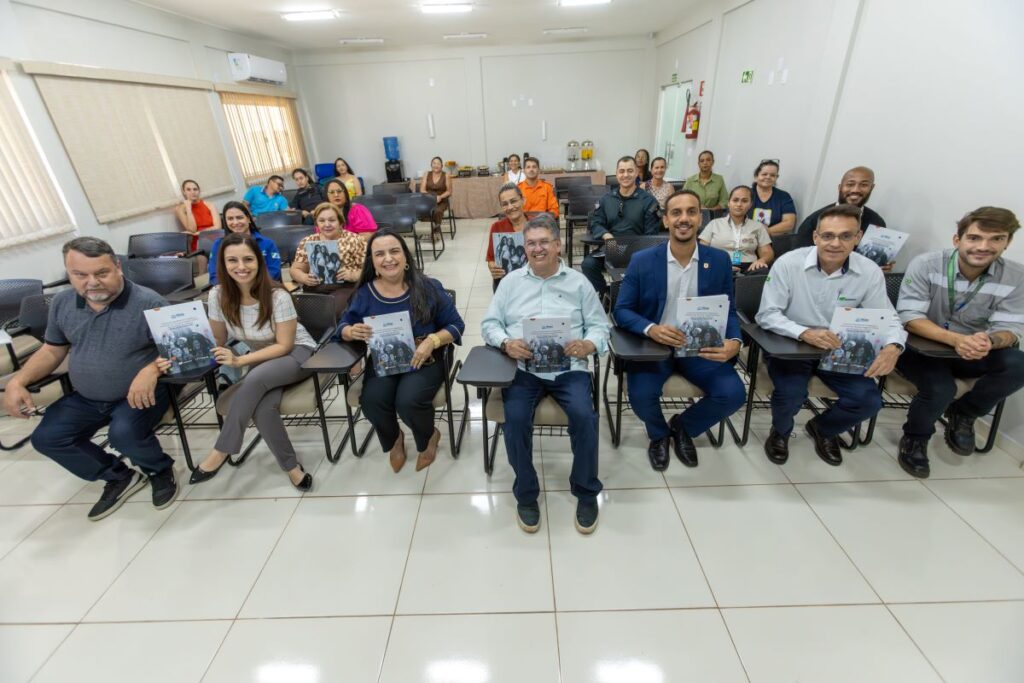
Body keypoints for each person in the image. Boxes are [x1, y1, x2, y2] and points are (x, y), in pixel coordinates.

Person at [3, 237, 178, 520]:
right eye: (80, 275)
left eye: (101, 273)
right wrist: (17, 381)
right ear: (68, 274)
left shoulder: (148, 302)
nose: (92, 282)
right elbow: (51, 351)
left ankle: (159, 469)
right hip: (86, 396)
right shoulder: (62, 303)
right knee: (48, 437)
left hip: (138, 394)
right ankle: (118, 475)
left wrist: (152, 370)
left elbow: (180, 351)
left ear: (117, 267)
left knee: (123, 434)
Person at [481, 215, 609, 535]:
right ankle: (526, 494)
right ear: (525, 248)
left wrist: (588, 344)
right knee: (515, 419)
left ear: (557, 245)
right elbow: (489, 324)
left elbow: (600, 327)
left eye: (543, 242)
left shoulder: (579, 282)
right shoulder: (510, 283)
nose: (537, 249)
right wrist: (507, 342)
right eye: (531, 244)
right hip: (524, 369)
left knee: (584, 417)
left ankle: (585, 490)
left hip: (569, 368)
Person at [755, 203, 906, 466]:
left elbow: (887, 315)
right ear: (815, 236)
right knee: (791, 393)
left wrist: (894, 346)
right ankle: (780, 433)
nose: (835, 243)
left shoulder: (869, 271)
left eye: (845, 236)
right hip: (793, 345)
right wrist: (804, 333)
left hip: (841, 349)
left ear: (857, 238)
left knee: (868, 400)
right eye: (827, 236)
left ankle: (823, 429)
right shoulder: (789, 263)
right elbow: (767, 314)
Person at [614, 190, 746, 470]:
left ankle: (683, 427)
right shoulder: (643, 260)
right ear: (665, 220)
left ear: (701, 218)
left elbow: (729, 308)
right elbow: (621, 310)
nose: (684, 219)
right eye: (676, 213)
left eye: (691, 212)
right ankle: (659, 435)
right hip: (655, 347)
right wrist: (651, 329)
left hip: (700, 347)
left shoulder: (719, 260)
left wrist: (735, 340)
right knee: (639, 394)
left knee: (734, 393)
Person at [894, 207, 1024, 478]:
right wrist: (956, 339)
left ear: (1007, 242)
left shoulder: (1016, 276)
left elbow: (1012, 328)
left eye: (996, 239)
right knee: (940, 388)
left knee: (1018, 364)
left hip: (975, 349)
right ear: (958, 240)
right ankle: (916, 439)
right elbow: (909, 317)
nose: (984, 247)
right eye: (975, 238)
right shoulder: (927, 264)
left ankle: (964, 413)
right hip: (923, 347)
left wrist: (990, 340)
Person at [188, 232, 318, 490]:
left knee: (255, 377)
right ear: (223, 265)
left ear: (259, 262)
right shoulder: (217, 295)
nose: (241, 267)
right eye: (232, 260)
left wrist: (240, 361)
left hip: (298, 352)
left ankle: (222, 450)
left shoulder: (277, 296)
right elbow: (218, 337)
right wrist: (187, 349)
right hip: (262, 359)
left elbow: (284, 345)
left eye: (248, 259)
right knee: (262, 408)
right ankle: (291, 466)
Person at [338, 231, 465, 472]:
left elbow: (456, 325)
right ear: (372, 262)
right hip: (384, 359)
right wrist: (350, 331)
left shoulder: (427, 287)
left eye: (394, 251)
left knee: (408, 400)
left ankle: (429, 436)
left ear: (405, 257)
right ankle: (394, 438)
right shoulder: (364, 293)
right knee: (372, 401)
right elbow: (343, 326)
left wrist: (433, 340)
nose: (388, 258)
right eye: (380, 254)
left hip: (425, 358)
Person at [582, 156, 661, 296]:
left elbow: (651, 235)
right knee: (588, 265)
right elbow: (596, 222)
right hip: (612, 247)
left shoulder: (648, 201)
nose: (625, 175)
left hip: (637, 251)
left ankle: (626, 296)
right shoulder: (607, 199)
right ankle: (606, 294)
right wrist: (606, 236)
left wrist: (638, 250)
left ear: (636, 172)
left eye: (630, 171)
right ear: (616, 173)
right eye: (622, 171)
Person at [795, 167, 889, 262]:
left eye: (863, 185)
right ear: (840, 187)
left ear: (871, 188)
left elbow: (873, 259)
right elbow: (799, 258)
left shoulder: (876, 223)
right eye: (850, 184)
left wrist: (880, 265)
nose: (856, 190)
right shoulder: (815, 219)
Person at [290, 203, 367, 313]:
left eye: (332, 220)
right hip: (315, 286)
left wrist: (353, 275)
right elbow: (295, 270)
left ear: (340, 222)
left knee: (331, 310)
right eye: (322, 221)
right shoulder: (308, 241)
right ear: (317, 223)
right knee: (302, 312)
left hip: (345, 286)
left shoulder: (355, 240)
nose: (327, 224)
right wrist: (304, 277)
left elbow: (369, 270)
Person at [700, 186, 774, 272]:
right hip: (719, 265)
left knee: (762, 270)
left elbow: (767, 253)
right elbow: (702, 250)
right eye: (735, 200)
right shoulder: (714, 224)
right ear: (729, 203)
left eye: (744, 201)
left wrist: (761, 261)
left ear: (750, 204)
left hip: (749, 266)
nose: (739, 204)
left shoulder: (758, 226)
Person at [208, 202, 281, 285]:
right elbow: (214, 275)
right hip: (231, 291)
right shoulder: (218, 245)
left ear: (249, 219)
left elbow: (274, 272)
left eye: (239, 217)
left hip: (262, 288)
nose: (235, 222)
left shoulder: (267, 243)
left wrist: (249, 287)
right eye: (230, 219)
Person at [486, 183, 529, 286]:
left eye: (513, 201)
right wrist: (493, 268)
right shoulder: (497, 227)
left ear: (523, 200)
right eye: (505, 204)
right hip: (508, 281)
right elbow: (491, 259)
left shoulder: (537, 225)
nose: (510, 207)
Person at [749, 160, 796, 236]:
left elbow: (789, 223)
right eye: (764, 174)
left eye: (773, 175)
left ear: (776, 178)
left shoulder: (784, 196)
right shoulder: (745, 194)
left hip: (772, 240)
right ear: (756, 176)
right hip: (744, 237)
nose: (768, 177)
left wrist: (763, 233)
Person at [174, 179, 221, 252]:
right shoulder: (180, 209)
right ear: (184, 192)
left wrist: (200, 232)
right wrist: (189, 208)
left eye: (195, 189)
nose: (193, 192)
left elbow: (218, 227)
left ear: (199, 191)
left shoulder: (209, 205)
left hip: (214, 236)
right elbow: (192, 230)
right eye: (188, 189)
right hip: (198, 242)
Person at [419, 156, 452, 234]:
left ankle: (436, 231)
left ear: (441, 166)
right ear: (431, 165)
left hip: (441, 201)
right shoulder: (426, 174)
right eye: (434, 163)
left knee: (437, 211)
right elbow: (422, 190)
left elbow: (449, 191)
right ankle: (430, 228)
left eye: (438, 164)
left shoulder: (446, 175)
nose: (436, 165)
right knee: (422, 210)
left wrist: (440, 197)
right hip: (428, 200)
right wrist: (432, 198)